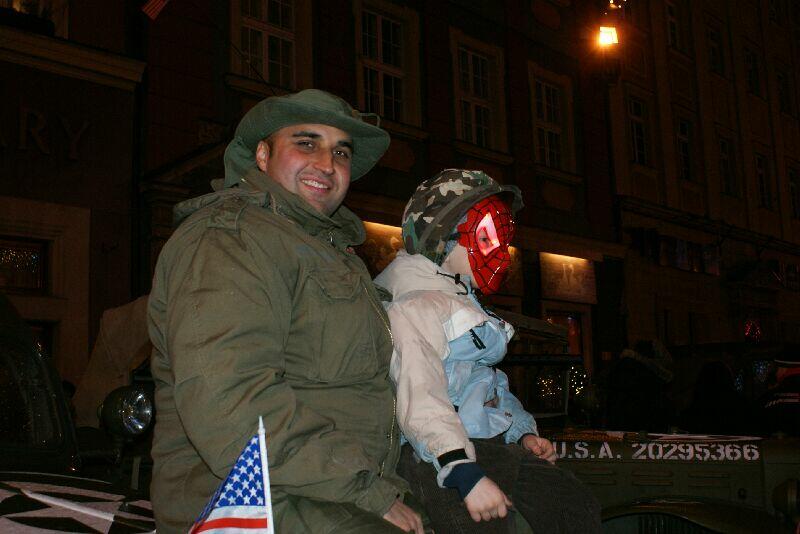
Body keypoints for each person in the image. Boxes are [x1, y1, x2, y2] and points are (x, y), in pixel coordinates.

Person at [147, 89, 423, 533]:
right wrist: (367, 492)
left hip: (327, 489)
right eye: (306, 143)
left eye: (341, 151)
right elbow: (230, 401)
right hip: (252, 502)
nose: (327, 164)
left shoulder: (326, 250)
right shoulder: (231, 239)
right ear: (262, 155)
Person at [375, 169, 601, 533]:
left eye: (501, 239)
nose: (499, 251)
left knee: (573, 504)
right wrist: (460, 468)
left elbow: (486, 382)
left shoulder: (461, 300)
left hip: (489, 443)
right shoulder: (416, 306)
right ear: (442, 238)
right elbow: (420, 392)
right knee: (481, 525)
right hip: (435, 454)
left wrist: (521, 432)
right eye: (485, 237)